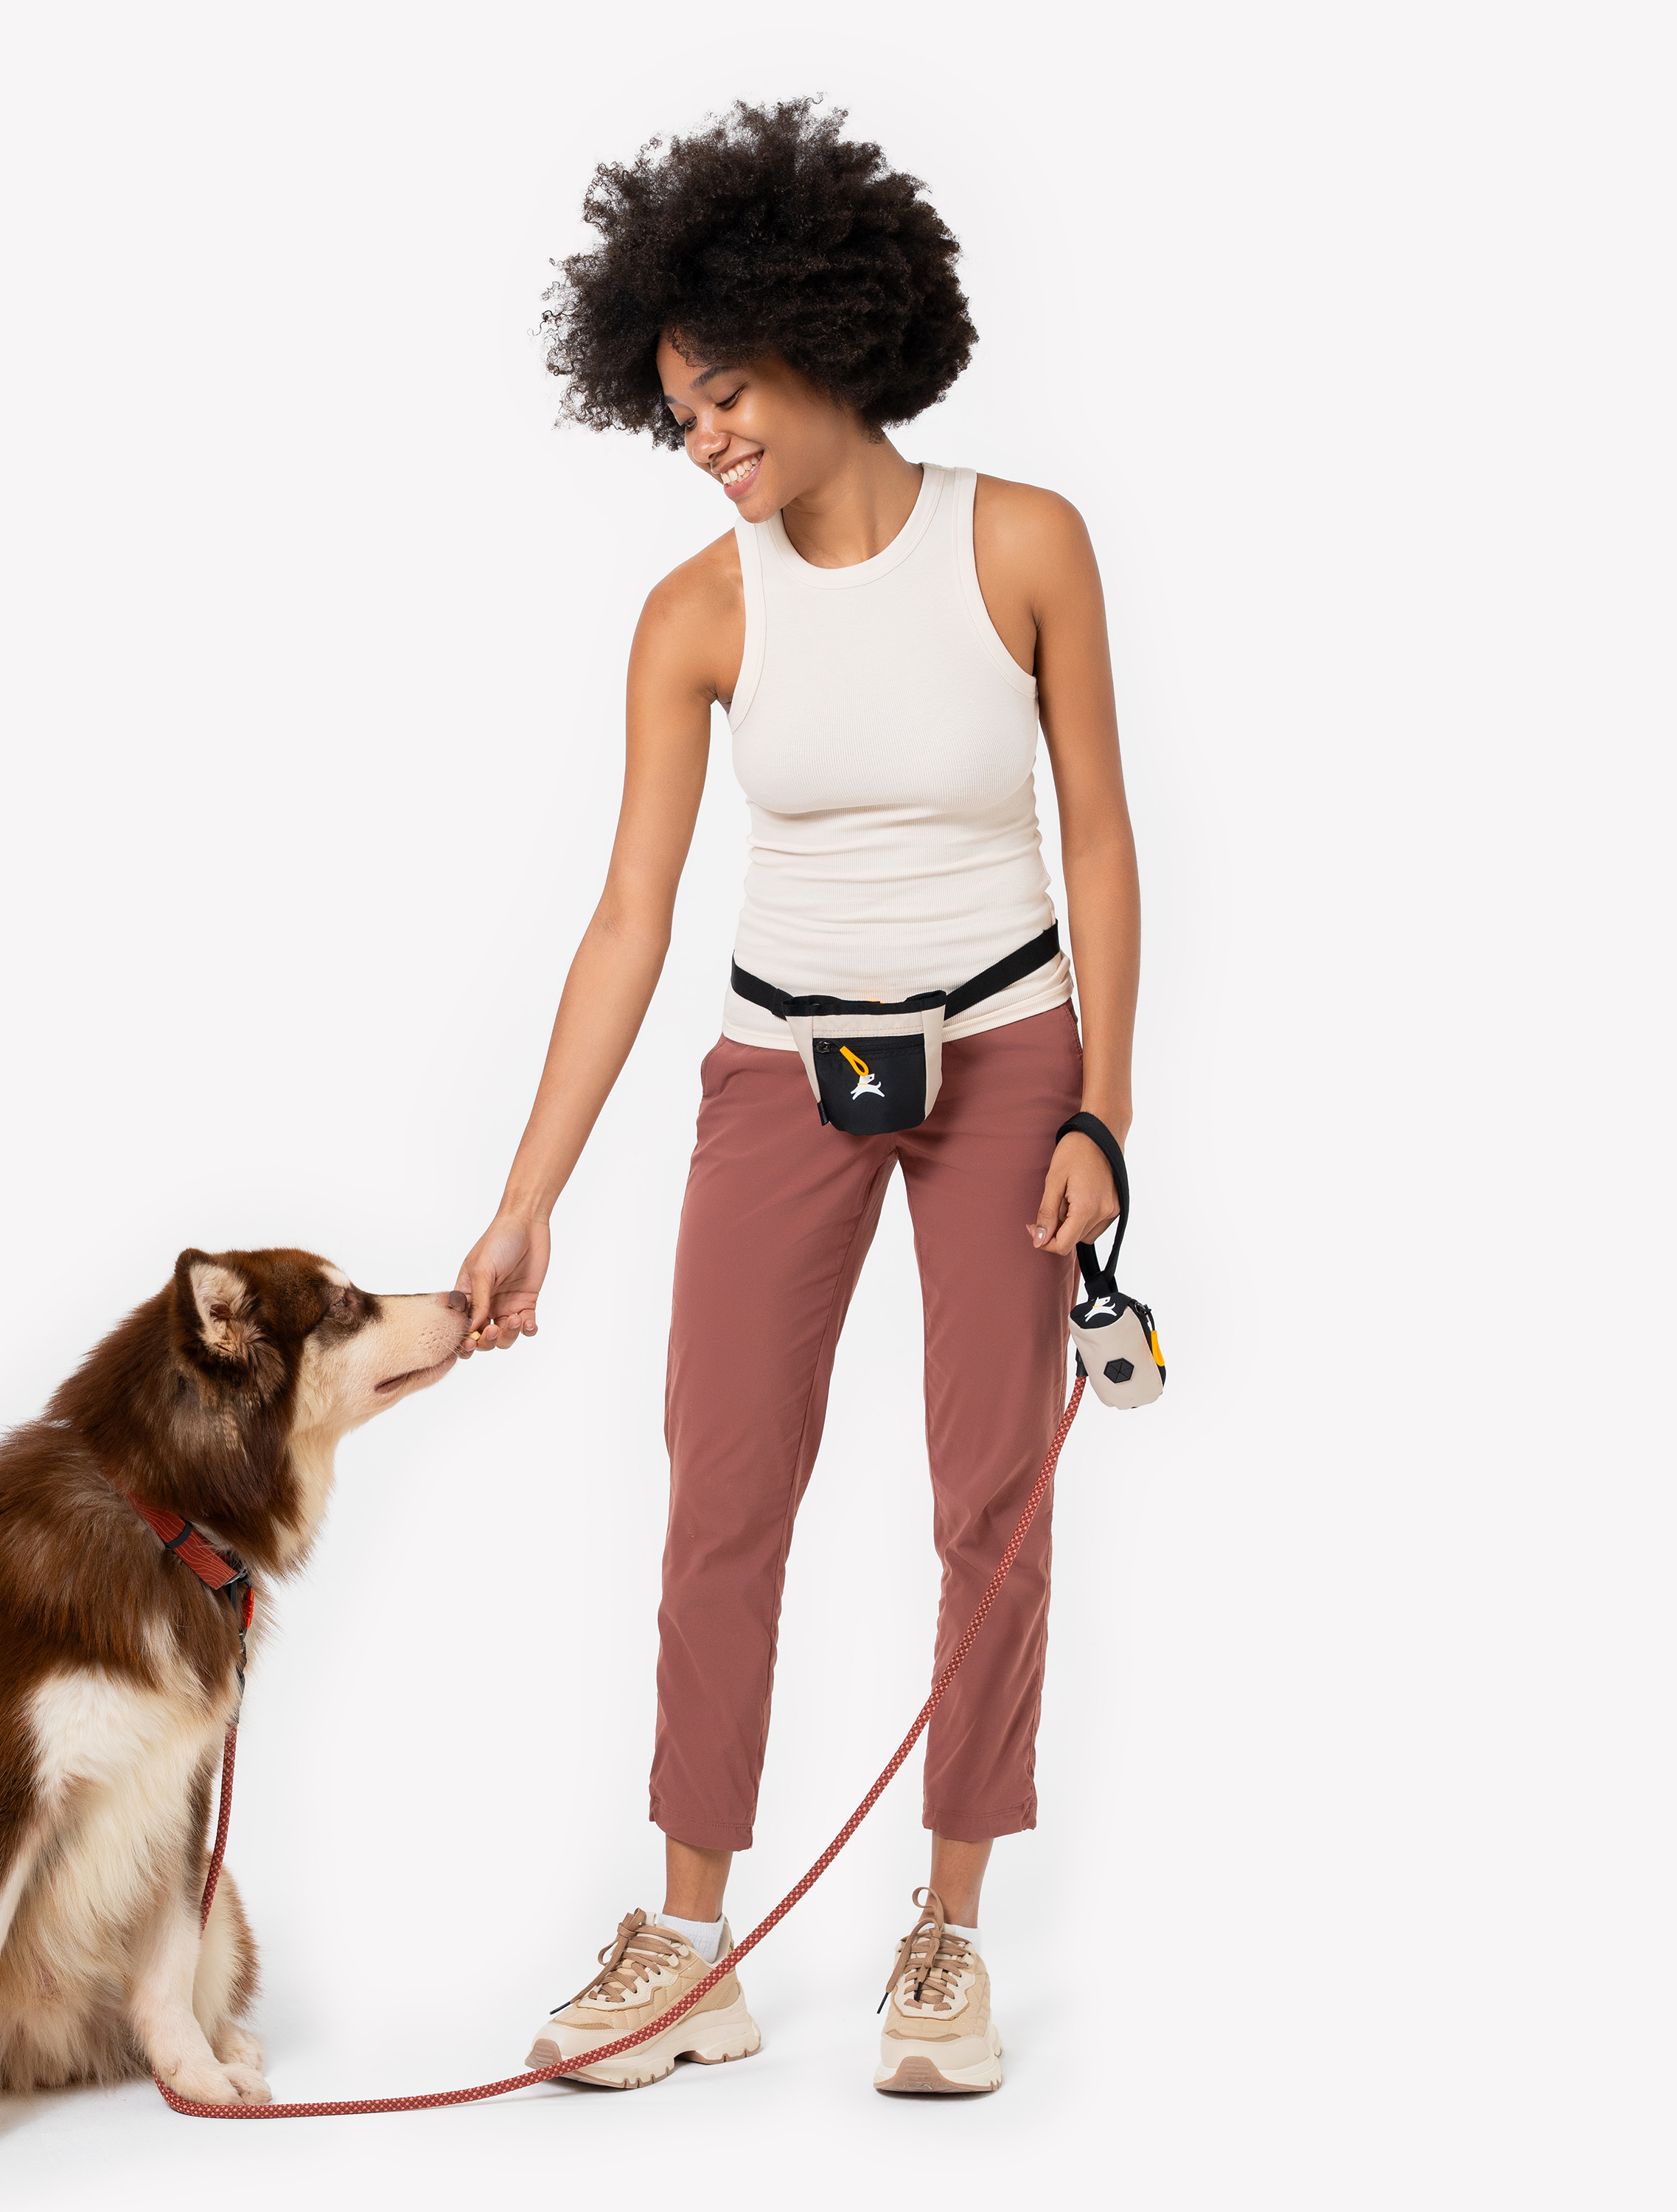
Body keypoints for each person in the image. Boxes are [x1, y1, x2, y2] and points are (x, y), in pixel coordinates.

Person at [455, 99, 1140, 2096]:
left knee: (988, 1497)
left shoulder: (1020, 542)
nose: (707, 441)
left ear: (836, 340)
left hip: (1010, 1058)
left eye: (729, 393)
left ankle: (947, 1934)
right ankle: (688, 1941)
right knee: (722, 1489)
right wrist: (529, 1198)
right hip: (782, 1066)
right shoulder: (694, 613)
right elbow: (624, 925)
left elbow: (1099, 839)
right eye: (677, 413)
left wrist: (1107, 1114)